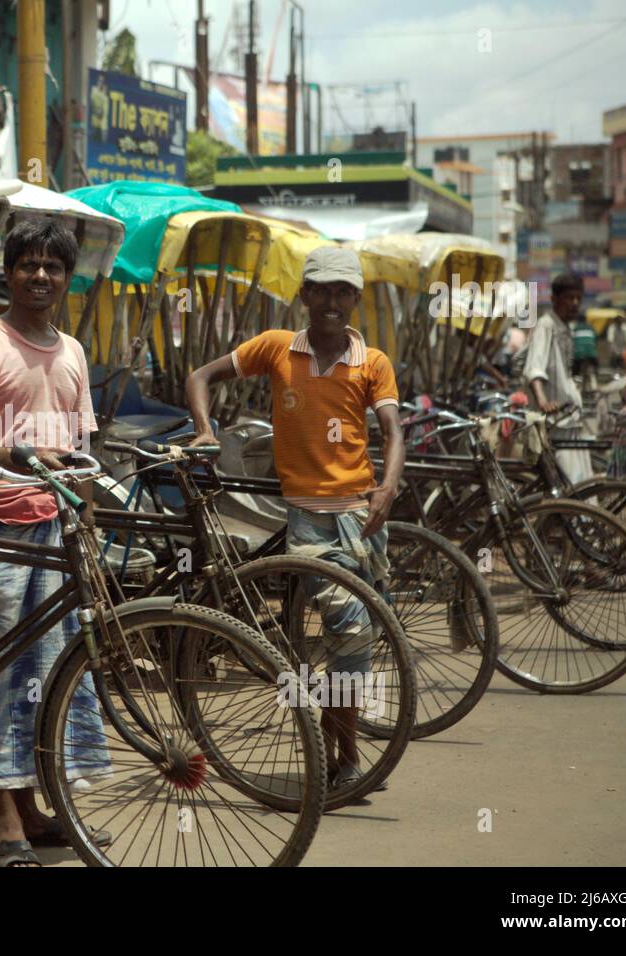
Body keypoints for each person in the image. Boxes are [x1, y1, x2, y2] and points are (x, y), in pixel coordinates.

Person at [183, 246, 406, 793]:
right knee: (350, 632)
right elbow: (199, 377)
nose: (331, 302)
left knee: (356, 638)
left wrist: (389, 484)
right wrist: (206, 430)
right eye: (321, 290)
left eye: (342, 292)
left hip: (362, 517)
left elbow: (393, 433)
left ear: (356, 298)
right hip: (307, 517)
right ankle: (347, 759)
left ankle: (341, 755)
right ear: (304, 295)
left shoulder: (372, 361)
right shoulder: (277, 348)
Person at [0, 219, 109, 867]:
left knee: (55, 672)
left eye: (53, 267)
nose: (40, 275)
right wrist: (16, 453)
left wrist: (85, 523)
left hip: (54, 526)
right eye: (28, 264)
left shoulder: (73, 352)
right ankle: (6, 822)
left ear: (68, 278)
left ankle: (40, 808)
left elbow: (83, 450)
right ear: (7, 272)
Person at [524, 272, 592, 483]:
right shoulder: (546, 326)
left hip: (570, 419)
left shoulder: (564, 327)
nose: (574, 303)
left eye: (578, 298)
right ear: (554, 299)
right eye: (569, 298)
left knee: (580, 481)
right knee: (568, 485)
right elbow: (534, 369)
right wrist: (543, 401)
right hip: (556, 423)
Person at [572, 313, 598, 390]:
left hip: (579, 354)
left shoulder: (575, 328)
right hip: (591, 354)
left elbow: (572, 341)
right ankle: (594, 387)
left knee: (576, 373)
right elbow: (596, 339)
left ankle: (576, 389)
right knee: (593, 371)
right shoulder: (591, 328)